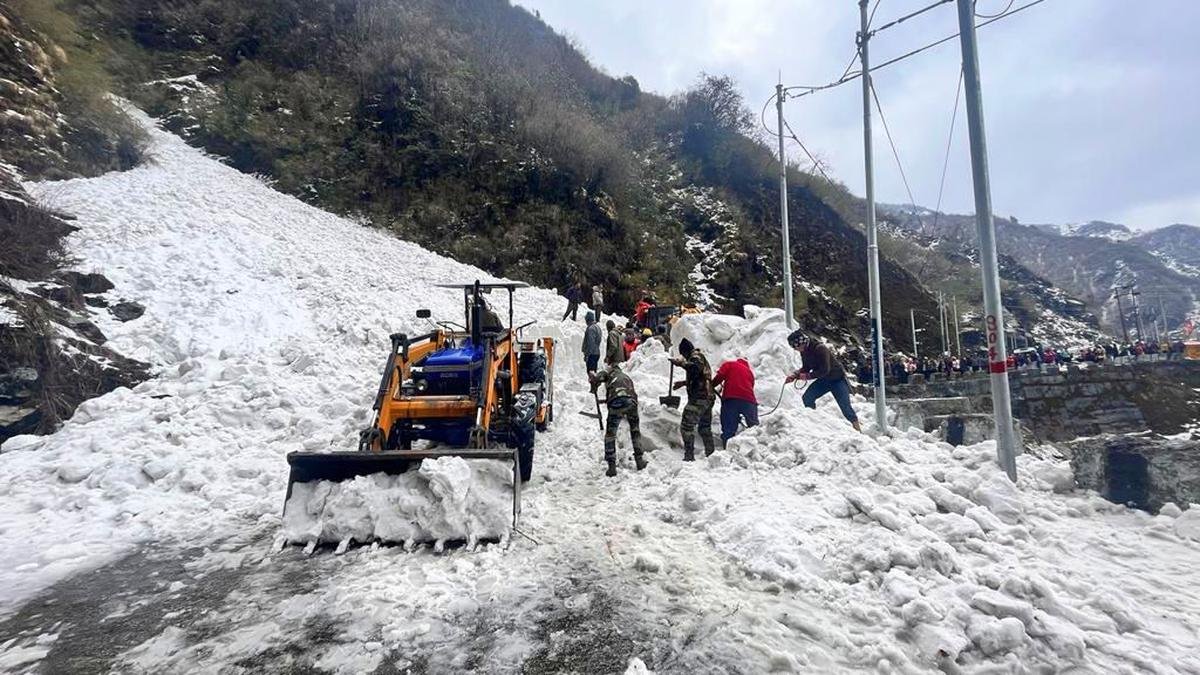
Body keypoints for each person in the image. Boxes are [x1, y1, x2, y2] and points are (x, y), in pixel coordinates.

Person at [785, 330, 861, 432]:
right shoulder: (804, 352)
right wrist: (795, 375)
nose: (796, 350)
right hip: (824, 380)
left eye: (796, 347)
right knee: (807, 398)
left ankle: (857, 429)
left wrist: (807, 376)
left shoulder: (820, 348)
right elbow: (806, 367)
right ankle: (814, 422)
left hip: (837, 379)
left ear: (801, 343)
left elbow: (825, 370)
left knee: (845, 407)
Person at [590, 365, 647, 477]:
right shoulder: (625, 376)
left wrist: (593, 379)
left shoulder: (609, 374)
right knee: (635, 431)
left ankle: (611, 466)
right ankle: (639, 460)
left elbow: (598, 377)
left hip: (616, 402)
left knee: (611, 434)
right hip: (631, 402)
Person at [669, 338, 715, 460]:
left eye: (683, 354)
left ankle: (689, 455)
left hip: (699, 399)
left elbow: (694, 369)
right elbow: (699, 376)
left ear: (685, 351)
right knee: (704, 427)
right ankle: (711, 455)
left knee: (686, 426)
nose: (683, 357)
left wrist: (680, 364)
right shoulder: (698, 357)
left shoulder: (695, 357)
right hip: (707, 397)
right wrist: (684, 383)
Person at [713, 356, 758, 446]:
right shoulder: (750, 373)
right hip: (749, 401)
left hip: (731, 399)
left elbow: (720, 376)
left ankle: (728, 448)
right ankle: (757, 448)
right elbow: (751, 386)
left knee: (728, 427)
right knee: (754, 428)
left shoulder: (729, 364)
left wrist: (711, 385)